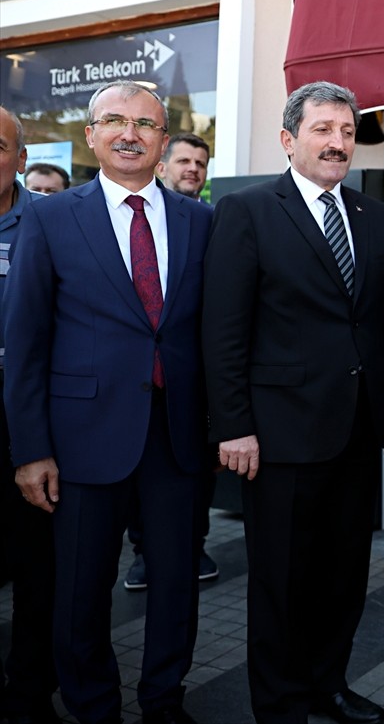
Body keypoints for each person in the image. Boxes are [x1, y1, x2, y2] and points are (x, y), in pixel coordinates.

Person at [4, 81, 212, 724]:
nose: (130, 133)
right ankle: (94, 707)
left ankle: (164, 701)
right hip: (81, 438)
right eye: (114, 121)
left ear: (163, 139)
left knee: (176, 584)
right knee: (79, 590)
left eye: (145, 124)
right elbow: (26, 341)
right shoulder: (50, 216)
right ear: (91, 136)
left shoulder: (201, 219)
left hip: (178, 437)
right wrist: (31, 449)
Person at [203, 81, 384, 724]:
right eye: (323, 130)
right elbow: (224, 328)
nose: (338, 143)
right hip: (279, 433)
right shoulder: (249, 211)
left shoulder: (373, 215)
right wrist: (233, 424)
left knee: (344, 573)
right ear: (289, 140)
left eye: (346, 131)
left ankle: (330, 685)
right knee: (281, 581)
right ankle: (282, 703)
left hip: (357, 427)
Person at [126, 131, 217, 590]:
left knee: (190, 482)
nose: (193, 170)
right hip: (125, 390)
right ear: (161, 164)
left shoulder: (211, 223)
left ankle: (191, 547)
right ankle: (142, 553)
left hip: (189, 387)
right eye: (184, 160)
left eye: (201, 163)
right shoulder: (119, 219)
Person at [0, 106, 58, 724]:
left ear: (20, 157)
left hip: (31, 425)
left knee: (39, 572)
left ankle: (29, 696)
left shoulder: (49, 221)